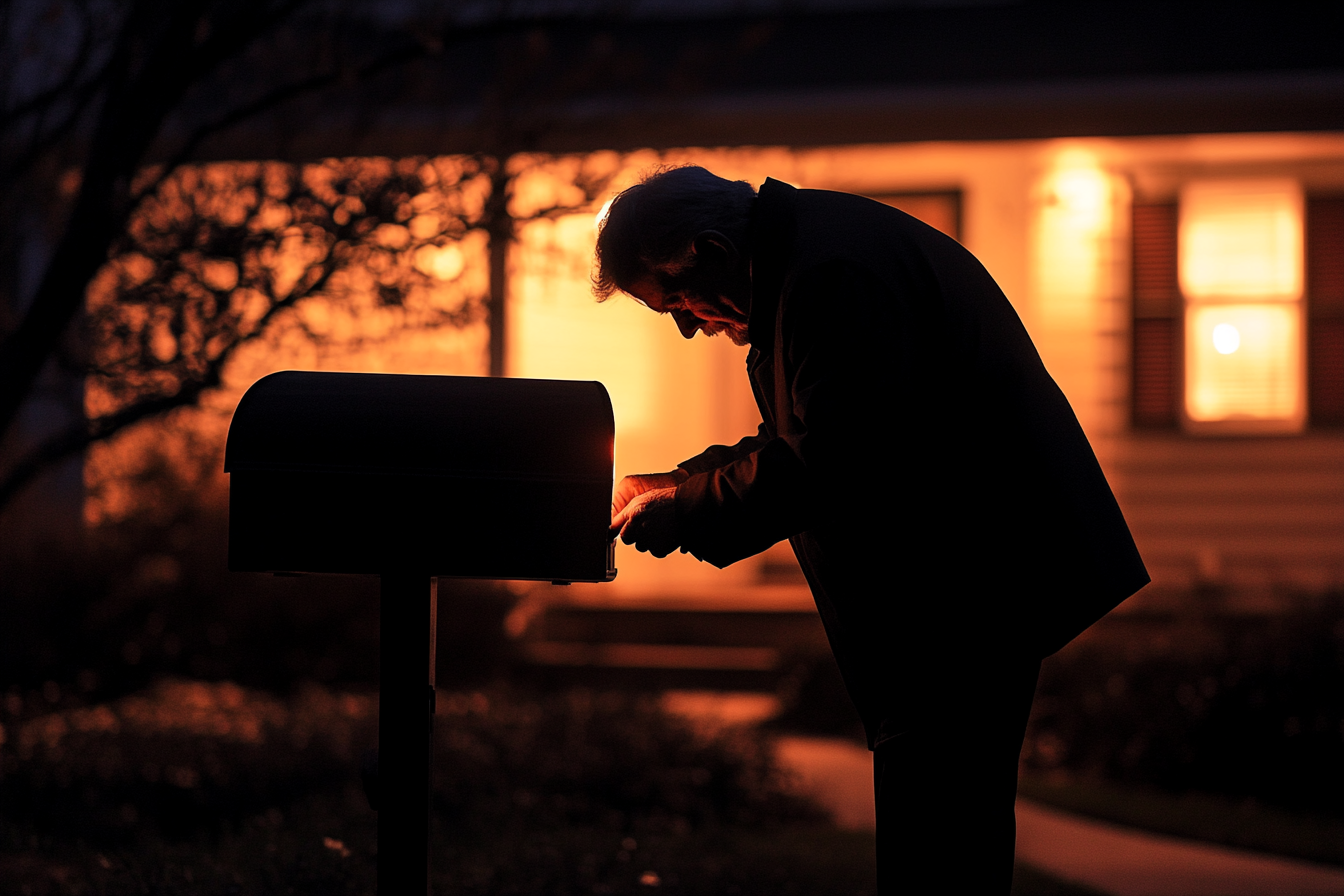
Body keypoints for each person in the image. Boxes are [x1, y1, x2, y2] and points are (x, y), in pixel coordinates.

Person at [598, 166, 1148, 893]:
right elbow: (805, 435)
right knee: (945, 833)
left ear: (711, 248)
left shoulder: (832, 277)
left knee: (940, 843)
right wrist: (678, 482)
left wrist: (690, 509)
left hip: (964, 597)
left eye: (676, 300)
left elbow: (836, 458)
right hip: (962, 588)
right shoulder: (814, 257)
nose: (690, 325)